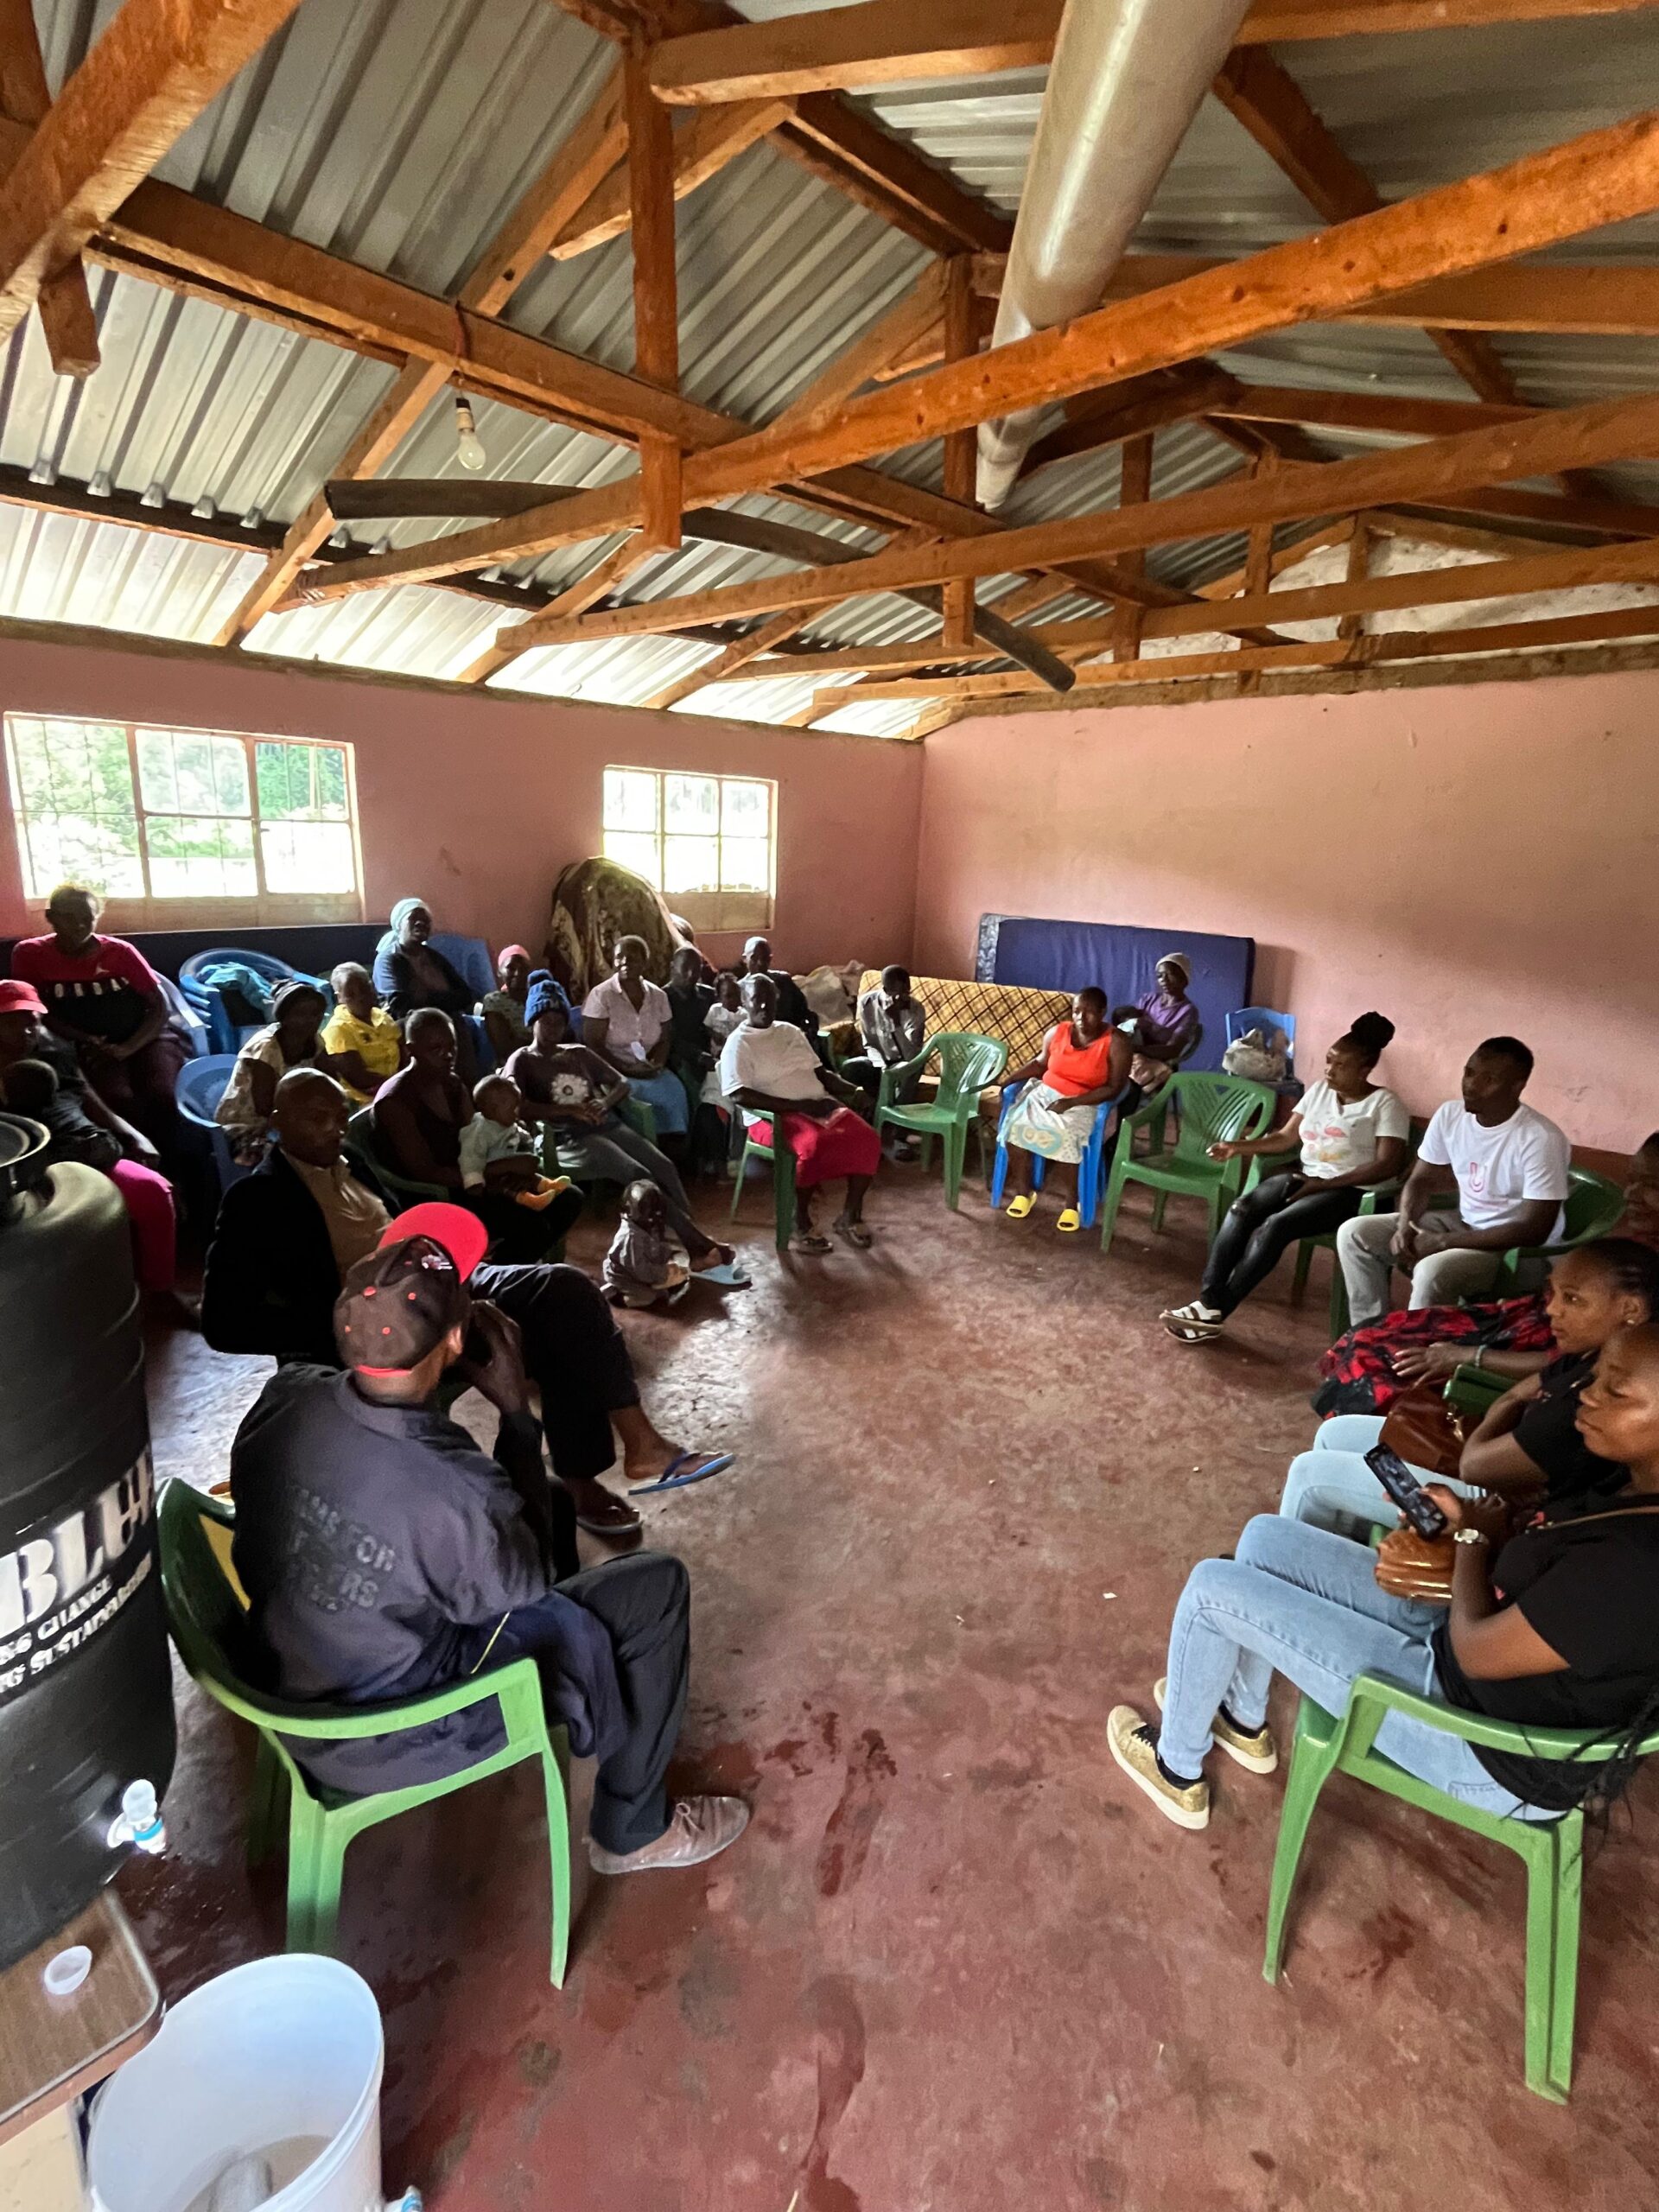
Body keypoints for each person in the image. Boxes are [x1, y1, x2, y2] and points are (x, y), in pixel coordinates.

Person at [226, 1221, 748, 1872]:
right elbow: (519, 1585)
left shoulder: (287, 1396)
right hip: (394, 1727)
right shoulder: (452, 1491)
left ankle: (595, 1714)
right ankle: (632, 1830)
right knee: (656, 1585)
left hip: (292, 1673)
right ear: (455, 1338)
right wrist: (516, 1415)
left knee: (551, 1501)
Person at [1108, 1319, 1659, 1833]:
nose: (1587, 1394)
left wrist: (1473, 1538)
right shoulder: (1628, 1487)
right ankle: (1242, 1719)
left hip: (1481, 1744)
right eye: (1597, 1379)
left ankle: (1176, 1771)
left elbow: (1478, 1653)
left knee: (1211, 1589)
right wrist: (1466, 1525)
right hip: (1469, 1662)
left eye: (1617, 1391)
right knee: (1264, 1538)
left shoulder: (1637, 1568)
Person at [202, 1070, 728, 1537]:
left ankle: (625, 1453)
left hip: (436, 1279)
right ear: (276, 1121)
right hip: (385, 1323)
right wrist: (344, 1324)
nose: (335, 1129)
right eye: (318, 1119)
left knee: (567, 1290)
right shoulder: (258, 1199)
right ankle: (575, 1480)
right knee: (546, 1327)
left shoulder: (351, 1162)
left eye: (340, 1115)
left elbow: (400, 1220)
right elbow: (224, 1324)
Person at [1281, 1240, 1659, 1532]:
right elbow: (1530, 1384)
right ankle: (1328, 1539)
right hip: (1495, 1460)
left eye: (1572, 1299)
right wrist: (1512, 1401)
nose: (1552, 1311)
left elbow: (1476, 1466)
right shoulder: (1589, 1357)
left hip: (1493, 1505)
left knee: (1310, 1476)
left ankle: (1287, 1561)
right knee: (1335, 1432)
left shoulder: (1587, 1400)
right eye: (1554, 1295)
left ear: (1630, 1310)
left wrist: (1506, 1404)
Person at [1315, 1135, 1659, 1418]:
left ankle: (1383, 1449)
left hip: (1528, 1352)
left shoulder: (1643, 1307)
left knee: (1385, 1368)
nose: (1631, 1195)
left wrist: (1465, 1356)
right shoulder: (1635, 1239)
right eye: (1632, 1180)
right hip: (1520, 1322)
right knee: (1369, 1335)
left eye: (1651, 1185)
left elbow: (1573, 1365)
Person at [1160, 1015, 1407, 1343]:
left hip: (1354, 1193)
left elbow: (1388, 1165)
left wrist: (1324, 1185)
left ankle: (1218, 1309)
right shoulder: (1319, 1091)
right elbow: (1287, 1138)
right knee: (1242, 1208)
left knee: (1276, 1226)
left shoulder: (1386, 1104)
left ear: (1364, 1070)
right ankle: (1208, 1302)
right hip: (1309, 1179)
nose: (1329, 1070)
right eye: (1329, 1061)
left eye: (1340, 1065)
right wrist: (1238, 1147)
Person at [506, 987, 739, 1279]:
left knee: (664, 1166)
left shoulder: (577, 1053)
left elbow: (621, 1084)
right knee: (637, 1173)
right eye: (545, 1021)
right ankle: (696, 1246)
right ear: (532, 1022)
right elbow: (514, 1105)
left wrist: (604, 1103)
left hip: (607, 1125)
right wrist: (568, 1112)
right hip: (569, 1138)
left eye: (559, 1021)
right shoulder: (523, 1060)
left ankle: (693, 1237)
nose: (553, 1028)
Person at [1337, 1037, 1569, 1325]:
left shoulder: (1540, 1138)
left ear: (1517, 1086)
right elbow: (1421, 1180)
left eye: (1490, 1079)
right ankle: (1370, 1332)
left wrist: (1443, 1241)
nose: (1471, 1085)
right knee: (1355, 1234)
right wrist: (1405, 1224)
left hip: (1514, 1252)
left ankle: (1412, 1352)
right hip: (1464, 1225)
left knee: (1433, 1270)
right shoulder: (1450, 1115)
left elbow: (1533, 1230)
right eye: (1469, 1073)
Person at [0, 978, 176, 1294]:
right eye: (13, 1024)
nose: (27, 1034)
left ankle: (161, 1291)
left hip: (83, 1146)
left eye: (33, 1024)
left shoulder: (56, 1052)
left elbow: (90, 1101)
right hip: (22, 1171)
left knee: (154, 1192)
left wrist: (134, 1136)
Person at [372, 1010, 582, 1265]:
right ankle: (493, 1279)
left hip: (475, 1175)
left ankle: (506, 1265)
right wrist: (499, 1171)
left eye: (452, 1046)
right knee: (534, 1227)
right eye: (435, 1048)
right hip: (436, 1195)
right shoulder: (395, 1101)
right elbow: (425, 1172)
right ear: (411, 1050)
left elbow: (478, 1135)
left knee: (569, 1198)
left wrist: (508, 1173)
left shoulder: (451, 1083)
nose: (447, 1055)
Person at [10, 883, 188, 1147]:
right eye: (69, 918)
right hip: (84, 1044)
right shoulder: (30, 953)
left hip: (144, 1037)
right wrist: (86, 1040)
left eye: (87, 919)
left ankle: (173, 1164)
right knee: (117, 1098)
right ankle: (134, 1158)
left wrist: (129, 1047)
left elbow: (159, 1006)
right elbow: (35, 1010)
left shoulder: (119, 952)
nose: (80, 926)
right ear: (51, 917)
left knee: (163, 1094)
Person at [720, 972, 880, 1252]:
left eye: (770, 999)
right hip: (770, 1116)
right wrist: (800, 1106)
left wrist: (854, 1090)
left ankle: (849, 1216)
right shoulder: (739, 1042)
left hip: (816, 1104)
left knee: (867, 1138)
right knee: (813, 1145)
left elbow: (823, 1074)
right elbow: (739, 1094)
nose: (764, 1006)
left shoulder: (790, 1032)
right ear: (744, 1002)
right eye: (757, 999)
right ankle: (800, 1223)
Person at [999, 987, 1130, 1232]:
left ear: (1103, 1012)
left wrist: (1071, 1103)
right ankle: (1023, 1193)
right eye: (1077, 1011)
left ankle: (1072, 1204)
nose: (1081, 1018)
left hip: (1087, 1100)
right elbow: (1041, 1063)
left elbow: (1114, 1087)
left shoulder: (1117, 1043)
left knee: (1068, 1137)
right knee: (1014, 1128)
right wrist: (1009, 1079)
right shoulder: (1058, 1032)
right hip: (1045, 1093)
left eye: (1090, 1013)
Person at [215, 980, 353, 1165]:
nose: (310, 1020)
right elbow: (264, 1108)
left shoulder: (314, 1042)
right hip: (248, 1126)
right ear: (284, 1016)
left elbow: (330, 1082)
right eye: (300, 1014)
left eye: (316, 1013)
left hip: (293, 1119)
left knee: (344, 1147)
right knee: (296, 1158)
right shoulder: (266, 1047)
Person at [582, 936, 690, 1146]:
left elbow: (665, 1038)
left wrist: (657, 1064)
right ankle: (647, 1149)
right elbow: (593, 1045)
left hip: (648, 1068)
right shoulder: (602, 995)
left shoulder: (658, 996)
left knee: (676, 1091)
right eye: (619, 957)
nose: (625, 962)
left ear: (644, 962)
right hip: (613, 1071)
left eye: (632, 958)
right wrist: (626, 1069)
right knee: (638, 1098)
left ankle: (675, 1150)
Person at [842, 966, 927, 1158]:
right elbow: (869, 1043)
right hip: (879, 1062)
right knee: (850, 1068)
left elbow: (912, 1056)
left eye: (906, 991)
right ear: (885, 988)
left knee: (913, 1069)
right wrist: (882, 1066)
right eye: (895, 992)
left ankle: (899, 1137)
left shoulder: (916, 1010)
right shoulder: (867, 1003)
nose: (902, 997)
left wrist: (895, 1024)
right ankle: (867, 1122)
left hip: (905, 1064)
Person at [461, 1073, 573, 1213]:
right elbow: (470, 1157)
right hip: (494, 1177)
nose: (517, 1112)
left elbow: (521, 1137)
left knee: (533, 1177)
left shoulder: (505, 1122)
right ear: (493, 1110)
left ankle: (548, 1185)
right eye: (513, 1108)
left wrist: (525, 1137)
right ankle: (530, 1200)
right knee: (505, 1187)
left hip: (513, 1167)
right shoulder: (478, 1132)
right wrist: (474, 1183)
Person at [1114, 952, 1201, 1122]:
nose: (1164, 980)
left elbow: (1173, 1050)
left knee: (1128, 1082)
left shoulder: (1188, 1011)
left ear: (1185, 979)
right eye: (1160, 976)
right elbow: (1129, 1023)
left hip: (1161, 1060)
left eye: (1170, 975)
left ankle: (1121, 1128)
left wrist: (1139, 1047)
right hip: (1135, 1053)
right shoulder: (1149, 999)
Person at [321, 963, 404, 1104]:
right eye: (350, 994)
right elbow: (358, 1078)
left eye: (364, 989)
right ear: (339, 997)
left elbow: (404, 1054)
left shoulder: (382, 1017)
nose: (360, 997)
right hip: (365, 1101)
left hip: (398, 1089)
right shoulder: (339, 1029)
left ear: (372, 988)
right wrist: (401, 1086)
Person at [603, 1182, 691, 1310]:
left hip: (642, 1268)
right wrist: (664, 1275)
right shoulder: (630, 1237)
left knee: (673, 1281)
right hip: (624, 1275)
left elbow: (660, 1246)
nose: (654, 1217)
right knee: (647, 1297)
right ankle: (616, 1295)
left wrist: (669, 1264)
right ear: (629, 1210)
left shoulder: (649, 1225)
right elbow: (640, 1271)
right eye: (648, 1212)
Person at [741, 936, 821, 1054]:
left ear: (770, 959)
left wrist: (810, 1029)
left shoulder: (784, 981)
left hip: (790, 1039)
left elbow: (804, 1011)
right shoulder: (739, 989)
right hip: (759, 1043)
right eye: (754, 958)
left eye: (765, 959)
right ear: (744, 959)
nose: (760, 963)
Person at [480, 944, 535, 1065]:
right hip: (513, 1066)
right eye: (511, 968)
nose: (517, 973)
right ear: (499, 972)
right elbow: (504, 1047)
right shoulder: (494, 1001)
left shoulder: (539, 999)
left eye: (524, 968)